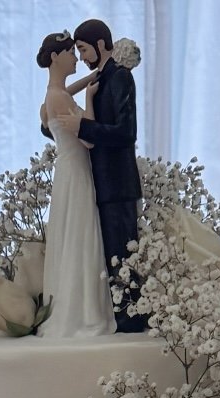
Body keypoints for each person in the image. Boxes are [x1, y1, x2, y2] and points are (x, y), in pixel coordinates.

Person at [52, 18, 147, 332]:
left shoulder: (120, 78)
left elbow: (126, 132)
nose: (80, 57)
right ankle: (123, 318)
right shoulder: (100, 79)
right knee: (113, 255)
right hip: (103, 183)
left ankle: (132, 321)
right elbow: (57, 114)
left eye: (82, 49)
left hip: (118, 182)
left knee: (123, 254)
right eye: (76, 50)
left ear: (100, 44)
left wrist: (83, 127)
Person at [36, 31, 115, 340]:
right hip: (78, 170)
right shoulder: (59, 98)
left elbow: (62, 92)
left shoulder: (52, 95)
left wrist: (89, 79)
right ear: (55, 57)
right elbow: (88, 138)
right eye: (70, 52)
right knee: (81, 237)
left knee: (70, 237)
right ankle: (83, 315)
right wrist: (89, 99)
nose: (74, 58)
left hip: (66, 172)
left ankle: (72, 307)